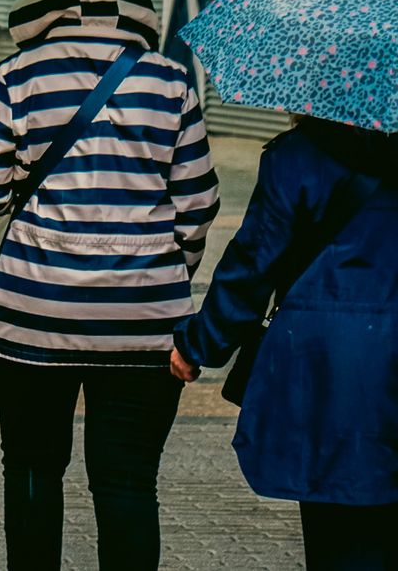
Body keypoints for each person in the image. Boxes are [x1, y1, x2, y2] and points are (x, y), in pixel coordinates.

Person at [0, 0, 220, 570]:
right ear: (139, 7)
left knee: (30, 467)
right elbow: (198, 203)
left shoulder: (15, 77)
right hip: (144, 323)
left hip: (32, 315)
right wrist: (164, 268)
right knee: (126, 483)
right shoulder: (172, 82)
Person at [170, 117, 398, 569]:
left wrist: (201, 345)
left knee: (334, 514)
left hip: (325, 367)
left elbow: (254, 260)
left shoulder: (299, 155)